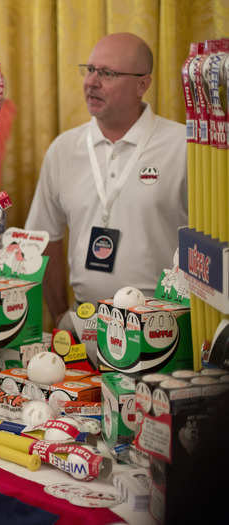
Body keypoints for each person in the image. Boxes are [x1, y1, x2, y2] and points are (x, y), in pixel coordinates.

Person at [25, 32, 187, 327]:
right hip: (84, 324)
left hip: (162, 329)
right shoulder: (64, 149)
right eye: (90, 70)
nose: (92, 82)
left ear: (143, 84)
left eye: (108, 74)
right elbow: (44, 238)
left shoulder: (183, 146)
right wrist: (62, 315)